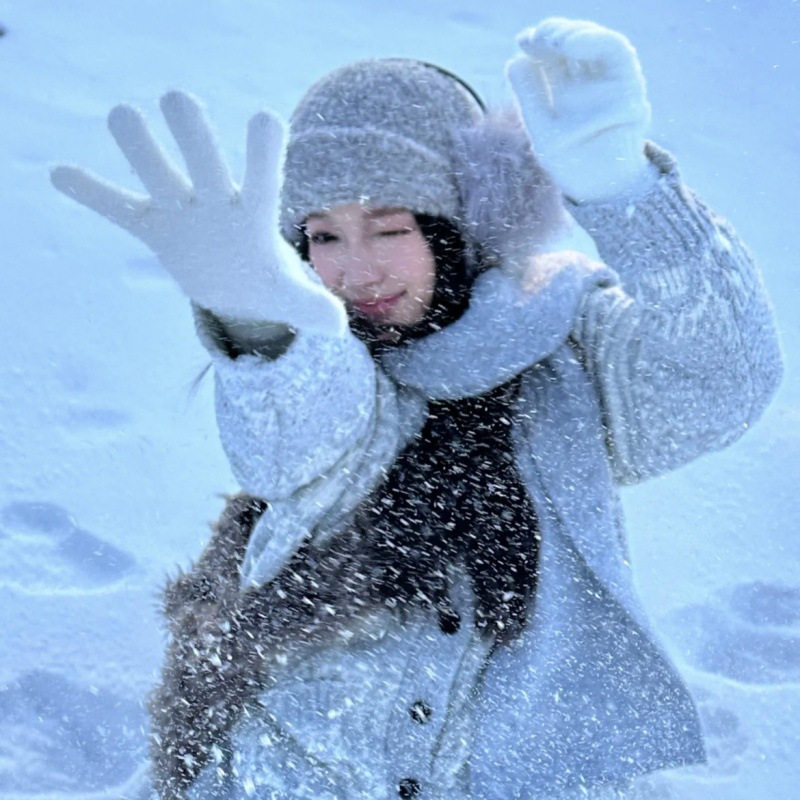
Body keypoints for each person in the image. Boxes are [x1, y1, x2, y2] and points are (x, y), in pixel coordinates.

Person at [51, 17, 782, 800]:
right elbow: (289, 444)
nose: (356, 271)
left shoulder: (561, 337)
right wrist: (259, 325)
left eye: (390, 228)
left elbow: (719, 381)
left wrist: (626, 192)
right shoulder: (318, 356)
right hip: (299, 770)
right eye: (323, 237)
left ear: (459, 226)